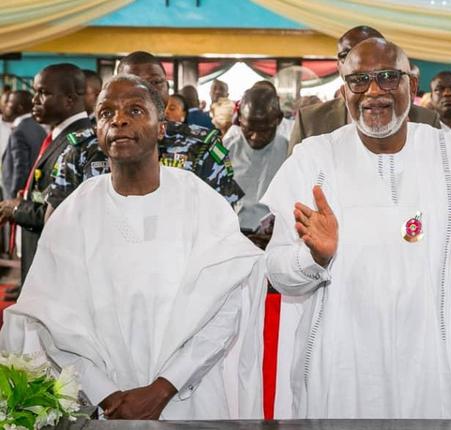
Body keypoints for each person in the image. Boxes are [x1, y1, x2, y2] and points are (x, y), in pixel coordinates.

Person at [262, 38, 451, 419]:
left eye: (387, 77)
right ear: (343, 89)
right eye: (359, 80)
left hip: (436, 368)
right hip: (340, 371)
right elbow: (278, 271)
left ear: (412, 86)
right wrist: (313, 257)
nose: (373, 91)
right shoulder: (312, 161)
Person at [0, 74, 266, 420]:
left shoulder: (203, 203)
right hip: (100, 401)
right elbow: (50, 317)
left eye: (136, 110)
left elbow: (226, 310)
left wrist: (163, 388)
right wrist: (106, 394)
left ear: (161, 128)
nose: (119, 120)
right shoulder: (75, 212)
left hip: (188, 396)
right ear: (96, 131)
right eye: (106, 113)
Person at [46, 51, 243, 211]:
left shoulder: (201, 146)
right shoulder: (82, 148)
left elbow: (223, 218)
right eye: (133, 82)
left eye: (155, 82)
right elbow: (57, 223)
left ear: (167, 87)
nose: (145, 90)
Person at [0, 64, 93, 301]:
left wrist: (16, 208)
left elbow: (64, 214)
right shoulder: (58, 136)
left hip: (59, 270)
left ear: (70, 99)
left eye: (43, 93)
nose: (34, 100)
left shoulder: (81, 143)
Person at [288, 25, 440, 154]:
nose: (358, 60)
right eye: (346, 55)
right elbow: (294, 181)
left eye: (369, 52)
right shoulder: (309, 120)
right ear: (338, 66)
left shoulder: (425, 120)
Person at [223, 86, 287, 248]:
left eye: (264, 130)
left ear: (278, 120)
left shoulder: (290, 150)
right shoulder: (226, 149)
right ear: (239, 119)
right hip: (232, 236)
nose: (255, 137)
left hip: (275, 238)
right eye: (249, 128)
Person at [1, 91, 47, 201]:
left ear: (19, 108)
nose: (6, 105)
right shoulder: (39, 128)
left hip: (19, 197)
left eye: (10, 103)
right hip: (34, 194)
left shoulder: (19, 131)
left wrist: (13, 199)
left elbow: (21, 169)